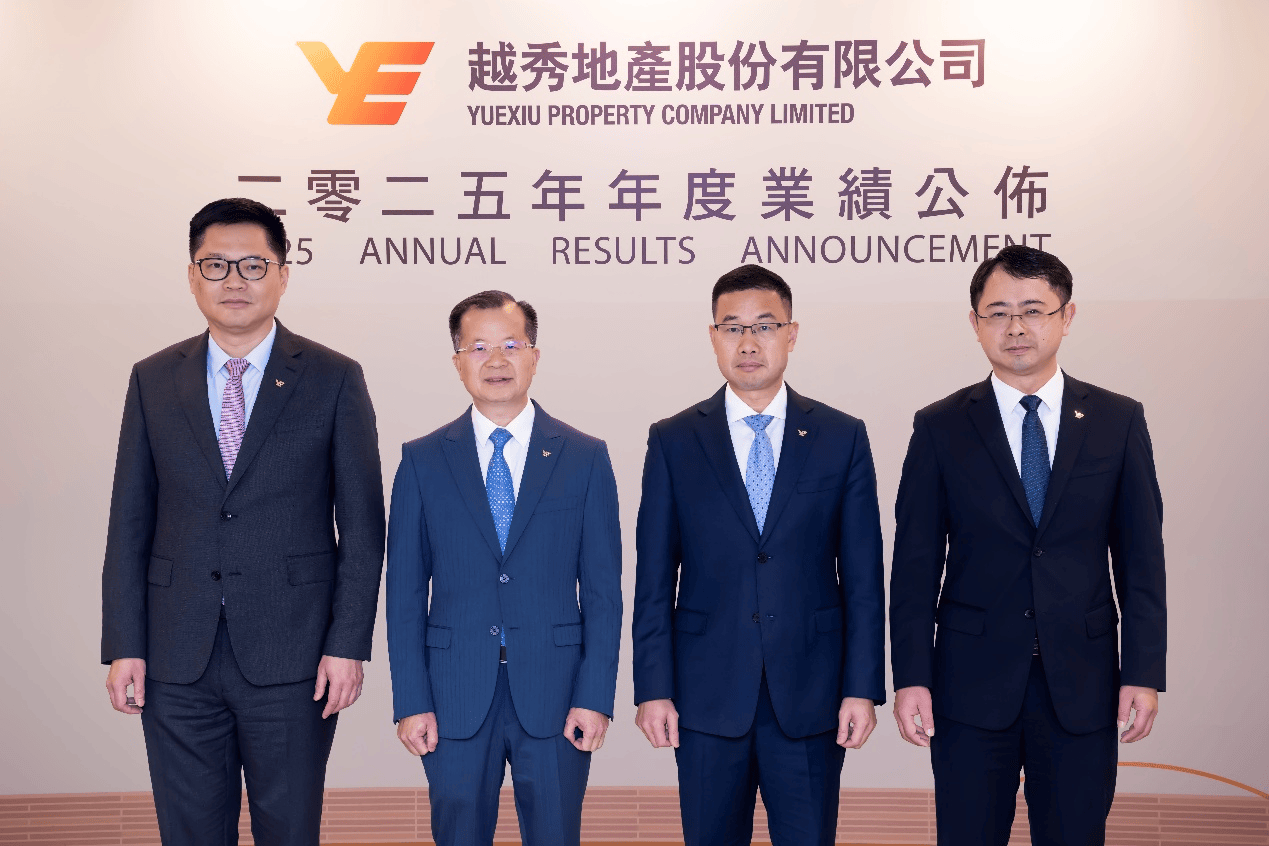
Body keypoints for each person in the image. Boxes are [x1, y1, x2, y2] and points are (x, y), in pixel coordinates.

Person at [101, 198, 386, 845]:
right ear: (192, 276)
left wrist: (347, 645)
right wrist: (125, 643)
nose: (235, 280)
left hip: (295, 655)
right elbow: (128, 524)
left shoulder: (333, 378)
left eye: (253, 265)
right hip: (176, 654)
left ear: (283, 275)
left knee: (289, 830)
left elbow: (363, 531)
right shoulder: (153, 379)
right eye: (216, 265)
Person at [889, 244, 1167, 845]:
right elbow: (914, 567)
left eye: (1034, 310)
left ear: (1067, 317)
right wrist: (911, 676)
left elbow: (1142, 562)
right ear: (975, 323)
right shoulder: (939, 426)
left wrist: (1143, 672)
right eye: (998, 313)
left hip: (1083, 683)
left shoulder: (1118, 420)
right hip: (969, 685)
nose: (1016, 327)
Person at [631, 265, 886, 846]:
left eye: (765, 326)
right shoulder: (673, 439)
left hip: (812, 693)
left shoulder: (841, 436)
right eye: (733, 328)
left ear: (792, 334)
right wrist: (654, 687)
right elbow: (654, 579)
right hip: (705, 694)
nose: (749, 343)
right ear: (713, 336)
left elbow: (863, 578)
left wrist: (861, 687)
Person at [386, 290, 622, 846]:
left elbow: (603, 593)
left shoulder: (584, 456)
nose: (496, 360)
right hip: (453, 693)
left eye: (511, 345)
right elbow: (403, 595)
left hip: (557, 693)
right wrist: (412, 701)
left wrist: (594, 696)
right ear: (458, 362)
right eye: (479, 347)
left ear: (535, 356)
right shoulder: (422, 460)